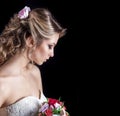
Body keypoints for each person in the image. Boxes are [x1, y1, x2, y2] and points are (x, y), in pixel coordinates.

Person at [0, 6, 67, 116]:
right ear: (31, 41)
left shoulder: (35, 72)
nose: (52, 54)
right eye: (50, 46)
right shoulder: (2, 84)